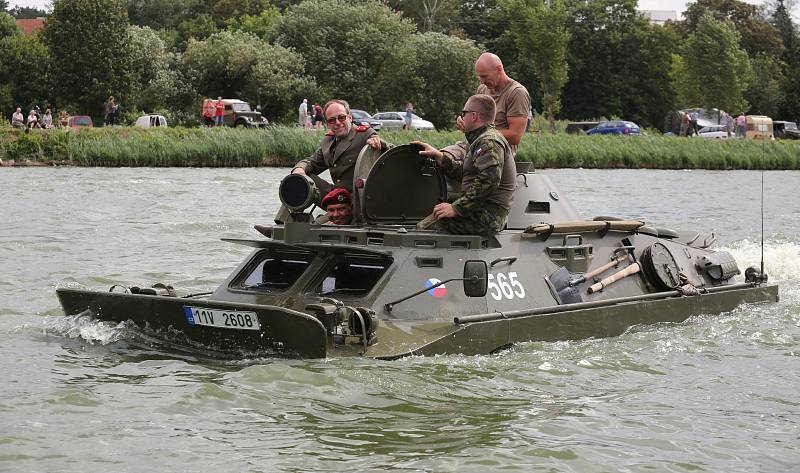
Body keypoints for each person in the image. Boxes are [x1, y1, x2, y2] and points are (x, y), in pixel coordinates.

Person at [413, 94, 516, 236]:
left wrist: (456, 209)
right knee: (429, 208)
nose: (462, 117)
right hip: (481, 211)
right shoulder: (482, 139)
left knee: (422, 230)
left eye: (464, 113)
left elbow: (489, 181)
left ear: (473, 116)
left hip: (486, 217)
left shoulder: (489, 142)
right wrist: (440, 157)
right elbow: (468, 173)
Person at [464, 52, 530, 156]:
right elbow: (476, 123)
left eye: (485, 76)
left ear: (499, 69)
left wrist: (480, 132)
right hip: (477, 146)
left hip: (498, 152)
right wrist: (466, 125)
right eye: (480, 77)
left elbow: (515, 136)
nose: (482, 81)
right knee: (441, 155)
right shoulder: (482, 90)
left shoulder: (517, 93)